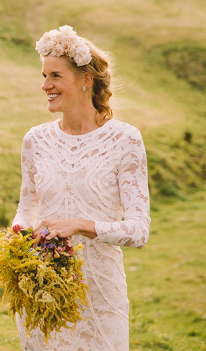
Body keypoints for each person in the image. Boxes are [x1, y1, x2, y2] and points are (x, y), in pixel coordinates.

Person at [12, 25, 151, 350]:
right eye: (44, 75)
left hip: (100, 294)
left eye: (55, 76)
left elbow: (138, 230)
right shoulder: (35, 140)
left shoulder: (125, 140)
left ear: (86, 80)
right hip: (45, 290)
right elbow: (26, 207)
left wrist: (79, 226)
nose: (45, 85)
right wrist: (17, 237)